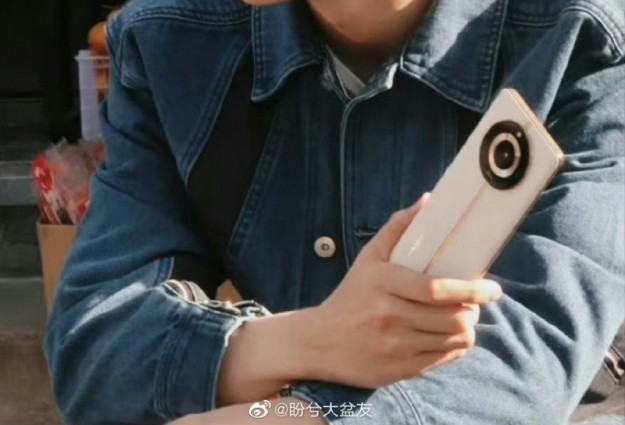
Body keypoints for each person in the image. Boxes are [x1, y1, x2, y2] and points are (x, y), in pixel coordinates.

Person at [44, 0, 625, 424]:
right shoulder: (170, 39)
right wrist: (314, 340)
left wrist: (289, 416)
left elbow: (532, 361)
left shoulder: (584, 36)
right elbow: (94, 345)